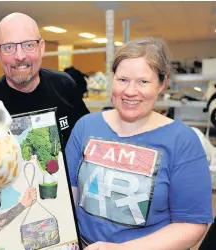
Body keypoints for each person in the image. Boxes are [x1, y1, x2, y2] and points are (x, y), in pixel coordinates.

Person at [65, 37, 213, 250]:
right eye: (122, 79)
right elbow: (69, 193)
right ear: (112, 78)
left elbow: (192, 224)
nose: (130, 91)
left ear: (162, 84)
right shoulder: (86, 127)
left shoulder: (182, 141)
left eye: (143, 81)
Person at [0, 12, 90, 148]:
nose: (20, 56)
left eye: (28, 45)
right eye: (9, 47)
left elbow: (86, 134)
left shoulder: (64, 85)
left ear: (41, 48)